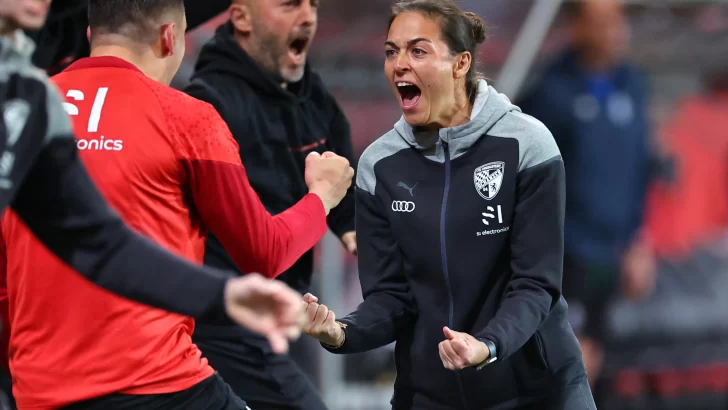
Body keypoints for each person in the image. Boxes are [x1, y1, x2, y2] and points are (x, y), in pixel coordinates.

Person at [0, 0, 353, 409]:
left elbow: (14, 284)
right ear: (170, 39)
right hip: (161, 385)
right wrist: (321, 197)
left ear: (90, 35)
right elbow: (265, 251)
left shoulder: (26, 109)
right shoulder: (187, 118)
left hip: (39, 391)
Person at [302, 1, 596, 409]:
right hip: (430, 396)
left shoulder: (526, 145)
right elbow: (390, 297)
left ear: (461, 64)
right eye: (391, 51)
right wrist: (342, 333)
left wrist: (486, 345)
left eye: (418, 51)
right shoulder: (378, 165)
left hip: (536, 391)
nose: (399, 64)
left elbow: (535, 284)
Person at [182, 0, 356, 408]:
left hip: (282, 306)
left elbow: (347, 196)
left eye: (313, 4)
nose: (308, 15)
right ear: (240, 17)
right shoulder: (208, 106)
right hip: (224, 318)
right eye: (290, 4)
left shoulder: (312, 95)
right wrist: (321, 199)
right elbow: (254, 247)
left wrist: (355, 230)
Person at [517, 0, 667, 386]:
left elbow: (638, 167)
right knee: (572, 363)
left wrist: (639, 239)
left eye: (619, 21)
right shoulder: (550, 93)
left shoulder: (633, 85)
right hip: (568, 255)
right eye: (601, 21)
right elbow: (529, 179)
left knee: (601, 366)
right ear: (578, 27)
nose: (614, 31)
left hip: (615, 255)